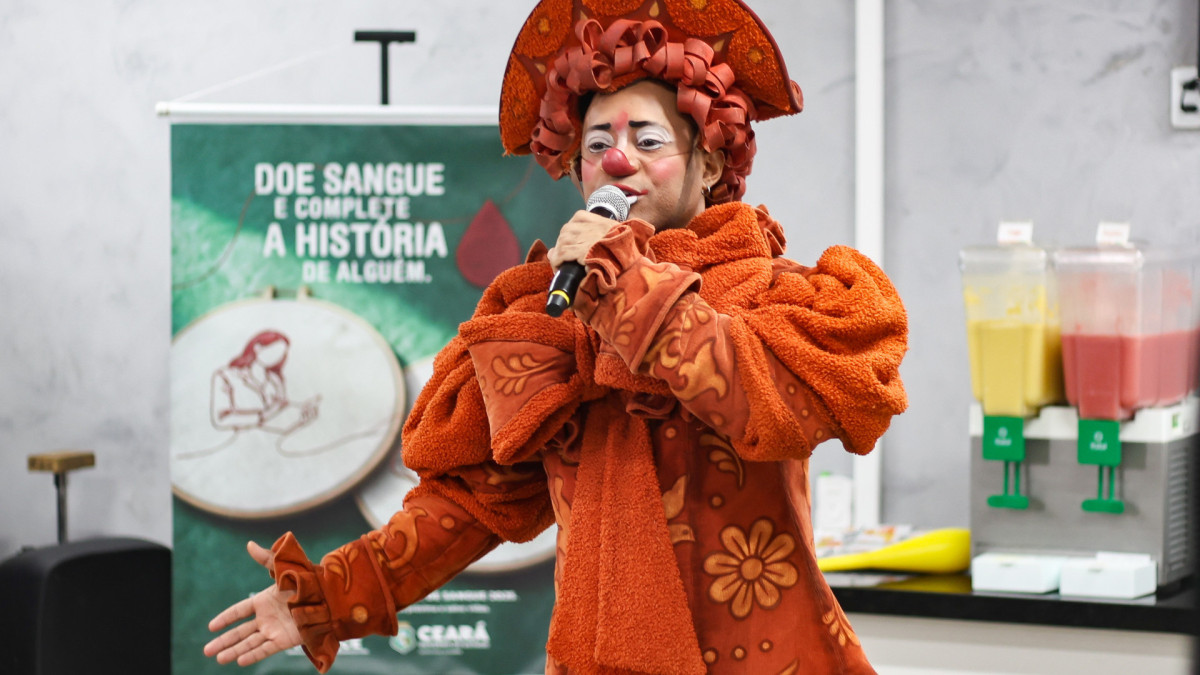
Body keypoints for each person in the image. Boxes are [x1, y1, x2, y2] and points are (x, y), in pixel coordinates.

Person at [203, 1, 908, 673]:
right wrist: (331, 596)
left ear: (713, 163)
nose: (618, 160)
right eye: (597, 144)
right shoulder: (555, 314)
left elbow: (765, 405)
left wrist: (624, 289)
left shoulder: (774, 294)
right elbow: (473, 503)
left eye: (648, 140)